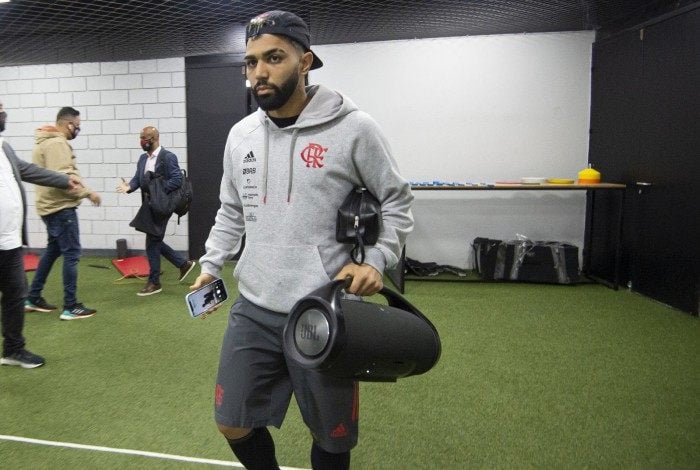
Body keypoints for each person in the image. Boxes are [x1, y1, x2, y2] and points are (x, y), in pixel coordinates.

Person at [190, 10, 414, 470]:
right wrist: (211, 265)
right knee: (232, 422)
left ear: (305, 61)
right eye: (251, 62)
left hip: (324, 308)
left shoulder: (354, 128)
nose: (259, 72)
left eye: (274, 58)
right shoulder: (240, 136)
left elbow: (396, 201)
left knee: (331, 439)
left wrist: (376, 260)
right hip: (255, 305)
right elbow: (232, 210)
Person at [0, 100, 82, 368]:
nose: (3, 112)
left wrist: (63, 180)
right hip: (9, 237)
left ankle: (13, 349)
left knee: (16, 295)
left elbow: (26, 170)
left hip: (10, 240)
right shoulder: (54, 144)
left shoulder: (3, 147)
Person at [25, 107, 101, 320]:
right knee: (72, 253)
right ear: (69, 124)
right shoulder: (57, 143)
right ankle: (70, 306)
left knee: (53, 250)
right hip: (60, 208)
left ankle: (33, 297)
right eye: (77, 126)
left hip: (48, 207)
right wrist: (89, 193)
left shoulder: (44, 141)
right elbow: (65, 179)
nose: (78, 130)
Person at [116, 126, 196, 296]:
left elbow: (176, 180)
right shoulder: (142, 159)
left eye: (145, 138)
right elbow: (137, 179)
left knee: (152, 241)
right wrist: (129, 187)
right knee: (155, 240)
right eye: (141, 138)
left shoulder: (168, 157)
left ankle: (154, 282)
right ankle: (183, 264)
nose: (142, 141)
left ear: (155, 138)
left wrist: (157, 190)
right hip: (148, 205)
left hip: (162, 205)